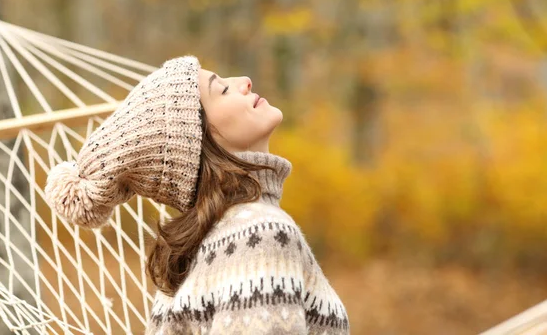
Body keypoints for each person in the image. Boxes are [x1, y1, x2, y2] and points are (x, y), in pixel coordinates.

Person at [45, 56, 350, 334]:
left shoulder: (195, 256)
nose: (244, 81)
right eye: (223, 91)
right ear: (200, 141)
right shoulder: (259, 234)